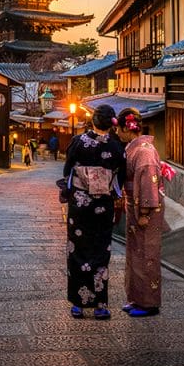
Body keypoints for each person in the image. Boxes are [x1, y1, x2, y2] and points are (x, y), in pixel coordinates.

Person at [58, 104, 125, 319]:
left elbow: (68, 170)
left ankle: (78, 303)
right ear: (111, 123)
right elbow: (119, 178)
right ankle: (100, 305)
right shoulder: (116, 147)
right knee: (100, 252)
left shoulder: (78, 142)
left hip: (80, 205)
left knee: (77, 250)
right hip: (102, 206)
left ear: (93, 121)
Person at [116, 107, 174, 317]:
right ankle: (136, 298)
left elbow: (149, 184)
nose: (117, 134)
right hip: (135, 205)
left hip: (145, 209)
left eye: (119, 129)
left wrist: (145, 213)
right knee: (135, 253)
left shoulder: (144, 152)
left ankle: (149, 303)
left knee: (147, 254)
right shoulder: (135, 148)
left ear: (126, 127)